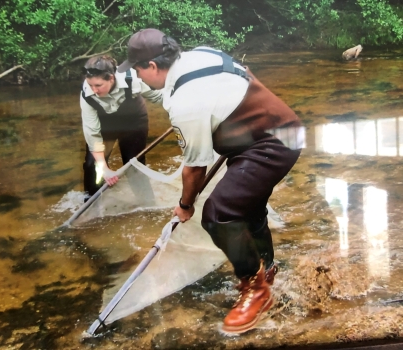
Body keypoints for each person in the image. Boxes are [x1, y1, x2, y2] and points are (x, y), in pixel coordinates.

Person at [118, 29, 304, 335]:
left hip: (273, 143)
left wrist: (185, 206)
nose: (136, 75)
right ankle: (266, 270)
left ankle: (255, 290)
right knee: (248, 208)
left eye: (137, 69)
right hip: (273, 130)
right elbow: (240, 78)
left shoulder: (186, 105)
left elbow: (194, 169)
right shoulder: (200, 54)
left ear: (152, 66)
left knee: (219, 213)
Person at [80, 55, 163, 200]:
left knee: (134, 165)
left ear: (111, 78)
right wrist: (104, 169)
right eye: (90, 85)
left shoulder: (132, 80)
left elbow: (158, 97)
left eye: (98, 86)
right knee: (92, 166)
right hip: (105, 126)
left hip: (133, 122)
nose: (94, 90)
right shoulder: (86, 95)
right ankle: (91, 204)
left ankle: (147, 205)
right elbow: (93, 134)